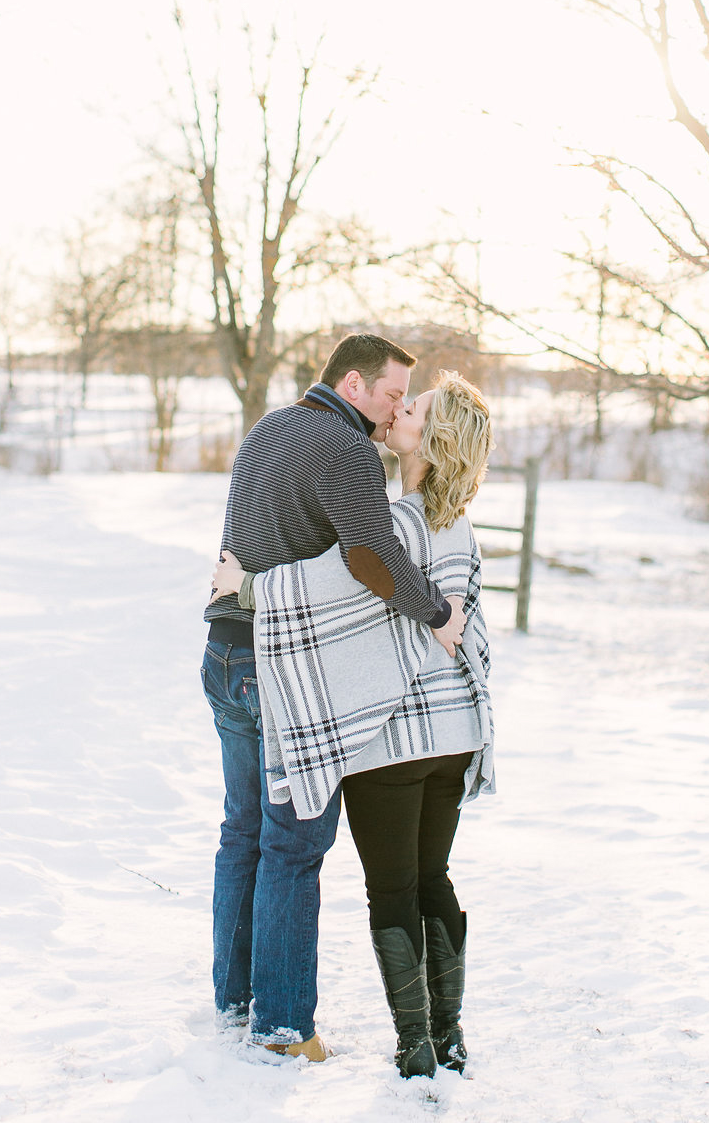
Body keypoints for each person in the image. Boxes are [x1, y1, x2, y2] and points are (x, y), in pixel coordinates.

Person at [211, 370, 494, 1078]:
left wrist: (240, 586)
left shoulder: (390, 529)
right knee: (436, 879)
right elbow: (470, 627)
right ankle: (450, 1033)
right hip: (455, 735)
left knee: (392, 889)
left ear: (433, 438)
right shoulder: (463, 528)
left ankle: (415, 1046)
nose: (401, 408)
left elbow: (321, 591)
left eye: (416, 406)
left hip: (395, 742)